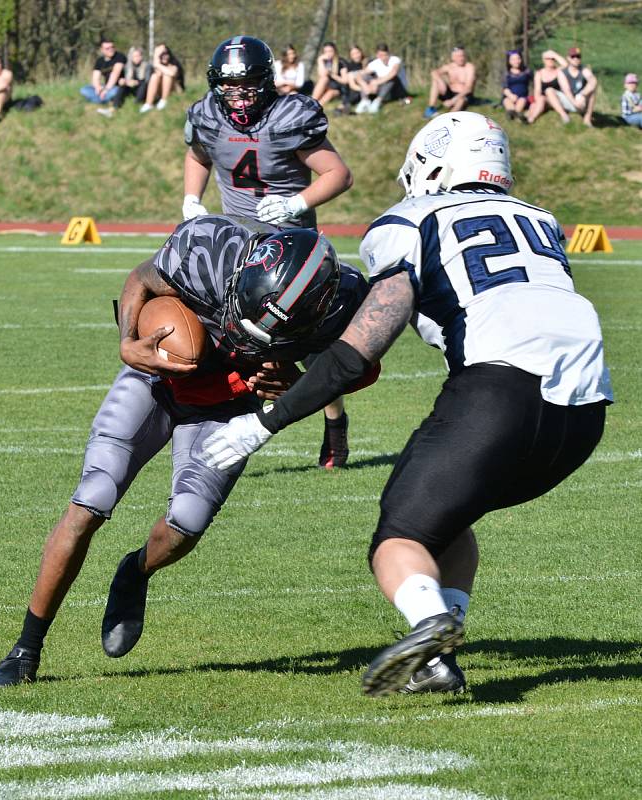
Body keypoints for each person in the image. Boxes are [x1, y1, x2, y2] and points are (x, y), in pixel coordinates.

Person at [203, 111, 613, 697]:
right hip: (584, 411)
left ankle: (430, 625)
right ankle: (440, 654)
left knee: (398, 538)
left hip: (498, 393)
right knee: (446, 520)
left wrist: (265, 421)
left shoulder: (410, 219)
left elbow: (361, 349)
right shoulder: (541, 221)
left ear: (434, 164)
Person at [0, 221, 378, 688]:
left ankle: (135, 571)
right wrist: (129, 343)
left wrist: (295, 385)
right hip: (156, 378)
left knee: (186, 523)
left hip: (228, 403)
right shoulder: (210, 248)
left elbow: (359, 368)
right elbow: (142, 278)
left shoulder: (345, 304)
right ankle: (26, 648)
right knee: (91, 498)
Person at [182, 35, 354, 469]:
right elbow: (199, 155)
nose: (239, 94)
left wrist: (299, 201)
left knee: (312, 345)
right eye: (230, 85)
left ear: (267, 80)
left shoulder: (288, 115)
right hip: (237, 243)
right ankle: (219, 420)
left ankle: (334, 423)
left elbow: (338, 173)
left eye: (248, 84)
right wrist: (191, 200)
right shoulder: (206, 115)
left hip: (291, 247)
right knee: (228, 334)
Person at [352, 43, 409, 114]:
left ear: (389, 53)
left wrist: (376, 82)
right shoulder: (375, 63)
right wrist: (364, 85)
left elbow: (393, 73)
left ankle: (378, 102)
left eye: (385, 55)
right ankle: (364, 101)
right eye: (381, 55)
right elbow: (359, 75)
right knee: (365, 77)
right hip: (383, 90)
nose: (384, 58)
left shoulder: (395, 60)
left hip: (398, 90)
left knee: (391, 79)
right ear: (377, 55)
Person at [423, 46, 476, 119]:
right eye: (458, 56)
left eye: (463, 55)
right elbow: (434, 72)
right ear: (453, 57)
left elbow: (468, 88)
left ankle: (448, 118)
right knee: (435, 81)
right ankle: (431, 109)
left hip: (463, 95)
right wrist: (439, 81)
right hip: (450, 93)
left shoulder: (469, 67)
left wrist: (453, 100)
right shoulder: (449, 67)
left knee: (461, 100)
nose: (461, 58)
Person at [80, 38, 126, 118]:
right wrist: (98, 88)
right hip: (105, 87)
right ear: (102, 50)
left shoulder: (120, 57)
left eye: (112, 47)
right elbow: (95, 77)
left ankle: (99, 100)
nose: (110, 49)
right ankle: (102, 99)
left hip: (116, 87)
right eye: (107, 48)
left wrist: (106, 90)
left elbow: (115, 74)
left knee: (115, 91)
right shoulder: (100, 61)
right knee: (84, 90)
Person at [555, 46, 597, 127]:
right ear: (568, 58)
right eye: (573, 57)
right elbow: (566, 90)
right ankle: (563, 115)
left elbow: (593, 80)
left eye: (578, 56)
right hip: (568, 99)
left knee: (592, 91)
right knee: (549, 91)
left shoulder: (584, 70)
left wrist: (583, 94)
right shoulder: (562, 72)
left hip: (581, 99)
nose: (576, 59)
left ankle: (587, 118)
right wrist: (574, 103)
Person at [525, 50, 568, 124]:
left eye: (552, 59)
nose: (550, 60)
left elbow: (566, 65)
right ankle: (530, 119)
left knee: (549, 91)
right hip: (544, 100)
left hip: (557, 99)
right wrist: (538, 101)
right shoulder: (539, 73)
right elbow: (537, 91)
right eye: (548, 58)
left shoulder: (558, 71)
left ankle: (563, 115)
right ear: (543, 60)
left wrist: (555, 55)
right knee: (538, 101)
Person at [140, 44, 183, 113]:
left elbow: (172, 73)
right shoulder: (152, 65)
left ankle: (164, 100)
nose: (164, 57)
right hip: (159, 91)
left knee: (167, 75)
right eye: (161, 54)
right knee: (155, 76)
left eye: (166, 54)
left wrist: (157, 64)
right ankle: (148, 104)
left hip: (175, 91)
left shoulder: (174, 63)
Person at [311, 42, 349, 107]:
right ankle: (311, 102)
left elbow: (345, 81)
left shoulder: (341, 62)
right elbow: (322, 75)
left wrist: (332, 74)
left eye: (330, 51)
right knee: (324, 79)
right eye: (326, 51)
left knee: (331, 92)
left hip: (338, 89)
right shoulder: (323, 61)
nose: (328, 54)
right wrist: (320, 60)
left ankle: (316, 107)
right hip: (325, 86)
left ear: (335, 51)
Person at [501, 50, 532, 122]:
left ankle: (516, 114)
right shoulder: (506, 73)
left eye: (518, 58)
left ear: (521, 59)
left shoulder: (527, 71)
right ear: (509, 61)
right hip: (509, 96)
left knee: (522, 101)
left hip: (523, 97)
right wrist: (511, 95)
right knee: (506, 101)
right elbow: (504, 88)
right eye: (513, 59)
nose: (516, 61)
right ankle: (511, 113)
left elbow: (535, 83)